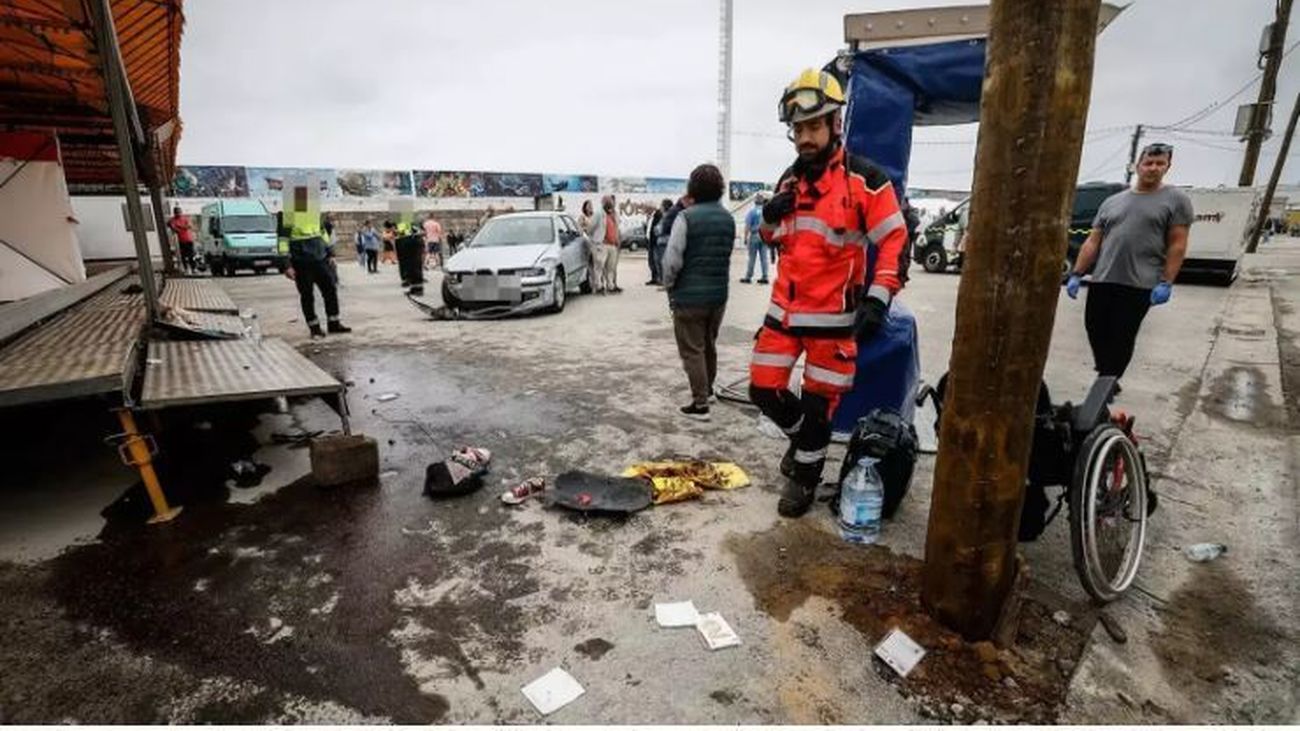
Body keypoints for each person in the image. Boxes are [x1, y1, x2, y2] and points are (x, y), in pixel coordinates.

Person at [749, 68, 910, 518]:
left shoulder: (865, 181)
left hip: (833, 323)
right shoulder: (787, 181)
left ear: (835, 124)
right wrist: (767, 217)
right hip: (783, 315)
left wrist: (879, 297)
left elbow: (895, 239)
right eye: (799, 129)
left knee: (820, 409)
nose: (806, 137)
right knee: (763, 390)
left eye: (814, 126)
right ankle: (806, 442)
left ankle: (804, 477)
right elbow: (772, 237)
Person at [1067, 142, 1192, 383]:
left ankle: (1108, 381)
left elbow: (1178, 243)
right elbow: (1093, 242)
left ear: (1167, 166)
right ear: (1138, 165)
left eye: (1159, 163)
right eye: (1148, 163)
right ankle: (1106, 376)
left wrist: (1167, 281)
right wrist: (1077, 273)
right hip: (1103, 277)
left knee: (1122, 335)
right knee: (1095, 327)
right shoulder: (1113, 202)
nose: (1153, 168)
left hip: (1139, 283)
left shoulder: (1176, 200)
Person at [662, 165, 734, 420]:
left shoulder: (686, 217)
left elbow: (672, 260)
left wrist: (668, 283)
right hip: (718, 296)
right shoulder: (728, 218)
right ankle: (709, 390)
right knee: (708, 345)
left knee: (692, 349)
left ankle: (700, 403)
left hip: (689, 297)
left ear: (693, 187)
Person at [280, 186, 351, 337]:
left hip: (320, 260)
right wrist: (286, 265)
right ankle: (314, 328)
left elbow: (323, 235)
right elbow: (282, 242)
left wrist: (330, 254)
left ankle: (334, 323)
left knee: (330, 290)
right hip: (301, 263)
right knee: (307, 295)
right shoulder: (287, 216)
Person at [740, 193, 770, 284]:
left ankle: (748, 277)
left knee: (752, 257)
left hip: (754, 235)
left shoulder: (751, 212)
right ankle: (765, 277)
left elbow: (747, 226)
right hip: (764, 235)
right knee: (764, 258)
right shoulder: (766, 212)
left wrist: (745, 237)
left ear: (755, 202)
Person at [583, 199, 609, 294]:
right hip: (590, 243)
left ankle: (598, 285)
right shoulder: (585, 216)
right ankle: (597, 286)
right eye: (588, 205)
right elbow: (587, 228)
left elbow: (592, 228)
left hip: (597, 243)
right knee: (595, 265)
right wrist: (587, 231)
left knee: (598, 265)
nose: (590, 207)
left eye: (591, 205)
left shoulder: (597, 214)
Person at [599, 195, 622, 293]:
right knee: (603, 266)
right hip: (605, 243)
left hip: (614, 243)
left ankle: (613, 285)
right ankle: (602, 286)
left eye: (614, 201)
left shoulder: (615, 213)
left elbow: (617, 228)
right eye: (612, 202)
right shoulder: (602, 214)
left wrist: (618, 240)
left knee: (613, 267)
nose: (613, 203)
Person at [167, 207, 196, 274]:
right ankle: (186, 269)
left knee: (191, 255)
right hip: (181, 240)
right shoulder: (173, 220)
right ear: (174, 213)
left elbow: (189, 226)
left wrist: (179, 227)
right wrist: (175, 227)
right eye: (177, 212)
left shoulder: (185, 218)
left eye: (179, 212)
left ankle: (193, 268)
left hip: (189, 239)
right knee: (183, 255)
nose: (178, 213)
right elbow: (171, 226)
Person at [645, 200, 668, 285]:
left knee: (657, 260)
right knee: (651, 261)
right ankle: (654, 278)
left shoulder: (658, 215)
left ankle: (660, 278)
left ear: (651, 208)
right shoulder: (649, 216)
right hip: (650, 242)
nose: (645, 209)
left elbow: (657, 228)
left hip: (655, 242)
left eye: (647, 208)